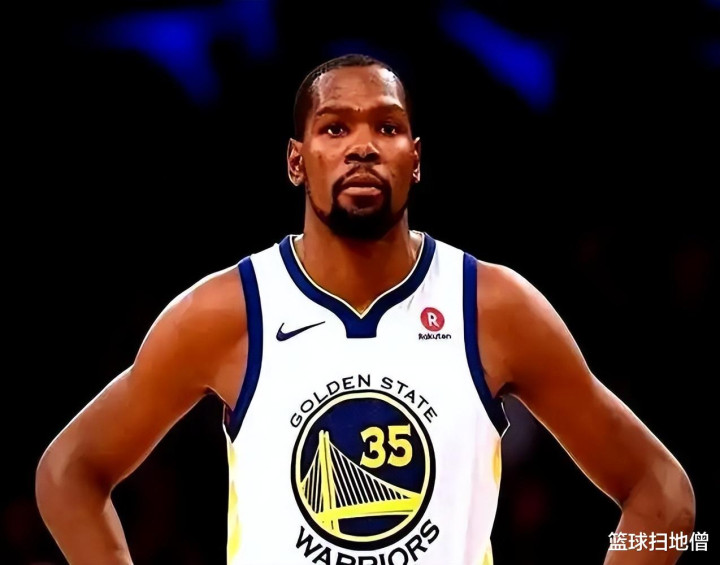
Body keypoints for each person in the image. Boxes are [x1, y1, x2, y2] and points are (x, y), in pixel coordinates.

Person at [36, 54, 695, 565]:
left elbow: (662, 495)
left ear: (416, 160)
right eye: (334, 127)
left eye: (387, 126)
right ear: (297, 161)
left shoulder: (492, 305)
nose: (363, 145)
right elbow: (68, 473)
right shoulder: (230, 309)